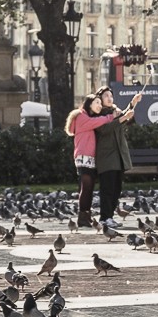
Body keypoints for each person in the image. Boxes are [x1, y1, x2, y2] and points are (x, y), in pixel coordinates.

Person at [65, 95, 122, 227]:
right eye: (97, 103)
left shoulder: (87, 116)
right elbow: (95, 123)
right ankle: (83, 217)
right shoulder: (81, 116)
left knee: (88, 188)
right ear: (89, 104)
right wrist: (110, 117)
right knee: (86, 188)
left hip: (89, 158)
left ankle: (86, 216)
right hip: (84, 157)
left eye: (100, 103)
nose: (99, 105)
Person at [94, 86, 142, 229]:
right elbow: (104, 129)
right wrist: (122, 118)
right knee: (107, 189)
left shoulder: (115, 112)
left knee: (116, 189)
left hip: (118, 157)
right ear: (100, 100)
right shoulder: (98, 114)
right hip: (106, 157)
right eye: (106, 96)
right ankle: (104, 218)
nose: (109, 98)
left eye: (111, 96)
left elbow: (125, 116)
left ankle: (110, 217)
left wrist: (133, 103)